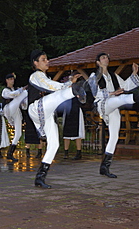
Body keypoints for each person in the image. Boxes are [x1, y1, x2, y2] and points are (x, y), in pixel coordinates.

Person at [87, 52, 139, 178]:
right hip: (102, 104)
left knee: (114, 136)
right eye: (103, 58)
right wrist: (112, 93)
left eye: (107, 57)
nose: (107, 59)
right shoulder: (94, 75)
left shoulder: (113, 75)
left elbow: (125, 86)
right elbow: (95, 93)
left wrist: (134, 73)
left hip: (113, 106)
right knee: (120, 99)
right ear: (98, 62)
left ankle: (105, 167)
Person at [28, 50, 86, 189]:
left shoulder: (44, 76)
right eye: (43, 59)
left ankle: (40, 177)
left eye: (47, 59)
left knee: (54, 144)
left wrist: (69, 83)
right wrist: (70, 85)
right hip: (37, 108)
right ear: (35, 63)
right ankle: (76, 91)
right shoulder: (36, 75)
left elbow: (52, 86)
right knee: (57, 95)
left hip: (46, 113)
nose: (47, 61)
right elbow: (51, 86)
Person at [1, 73, 28, 161]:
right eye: (10, 79)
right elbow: (11, 95)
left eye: (13, 79)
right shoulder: (5, 90)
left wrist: (24, 102)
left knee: (19, 133)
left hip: (16, 111)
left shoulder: (16, 90)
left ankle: (10, 153)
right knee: (24, 93)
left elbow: (24, 105)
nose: (12, 80)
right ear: (7, 80)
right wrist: (22, 90)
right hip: (8, 109)